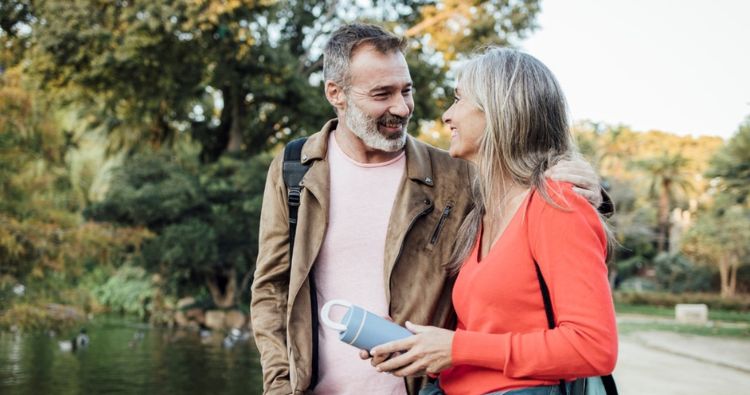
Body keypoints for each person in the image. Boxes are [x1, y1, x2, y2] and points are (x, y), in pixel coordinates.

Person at [250, 24, 606, 395]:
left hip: (425, 389)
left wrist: (591, 191)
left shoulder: (458, 172)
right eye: (382, 94)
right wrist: (280, 386)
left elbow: (529, 191)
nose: (401, 107)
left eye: (406, 90)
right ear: (336, 94)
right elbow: (271, 289)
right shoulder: (294, 168)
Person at [369, 47, 618, 395]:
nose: (447, 115)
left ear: (498, 111)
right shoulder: (482, 212)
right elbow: (489, 330)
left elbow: (593, 347)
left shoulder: (555, 204)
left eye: (458, 100)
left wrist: (457, 348)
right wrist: (420, 343)